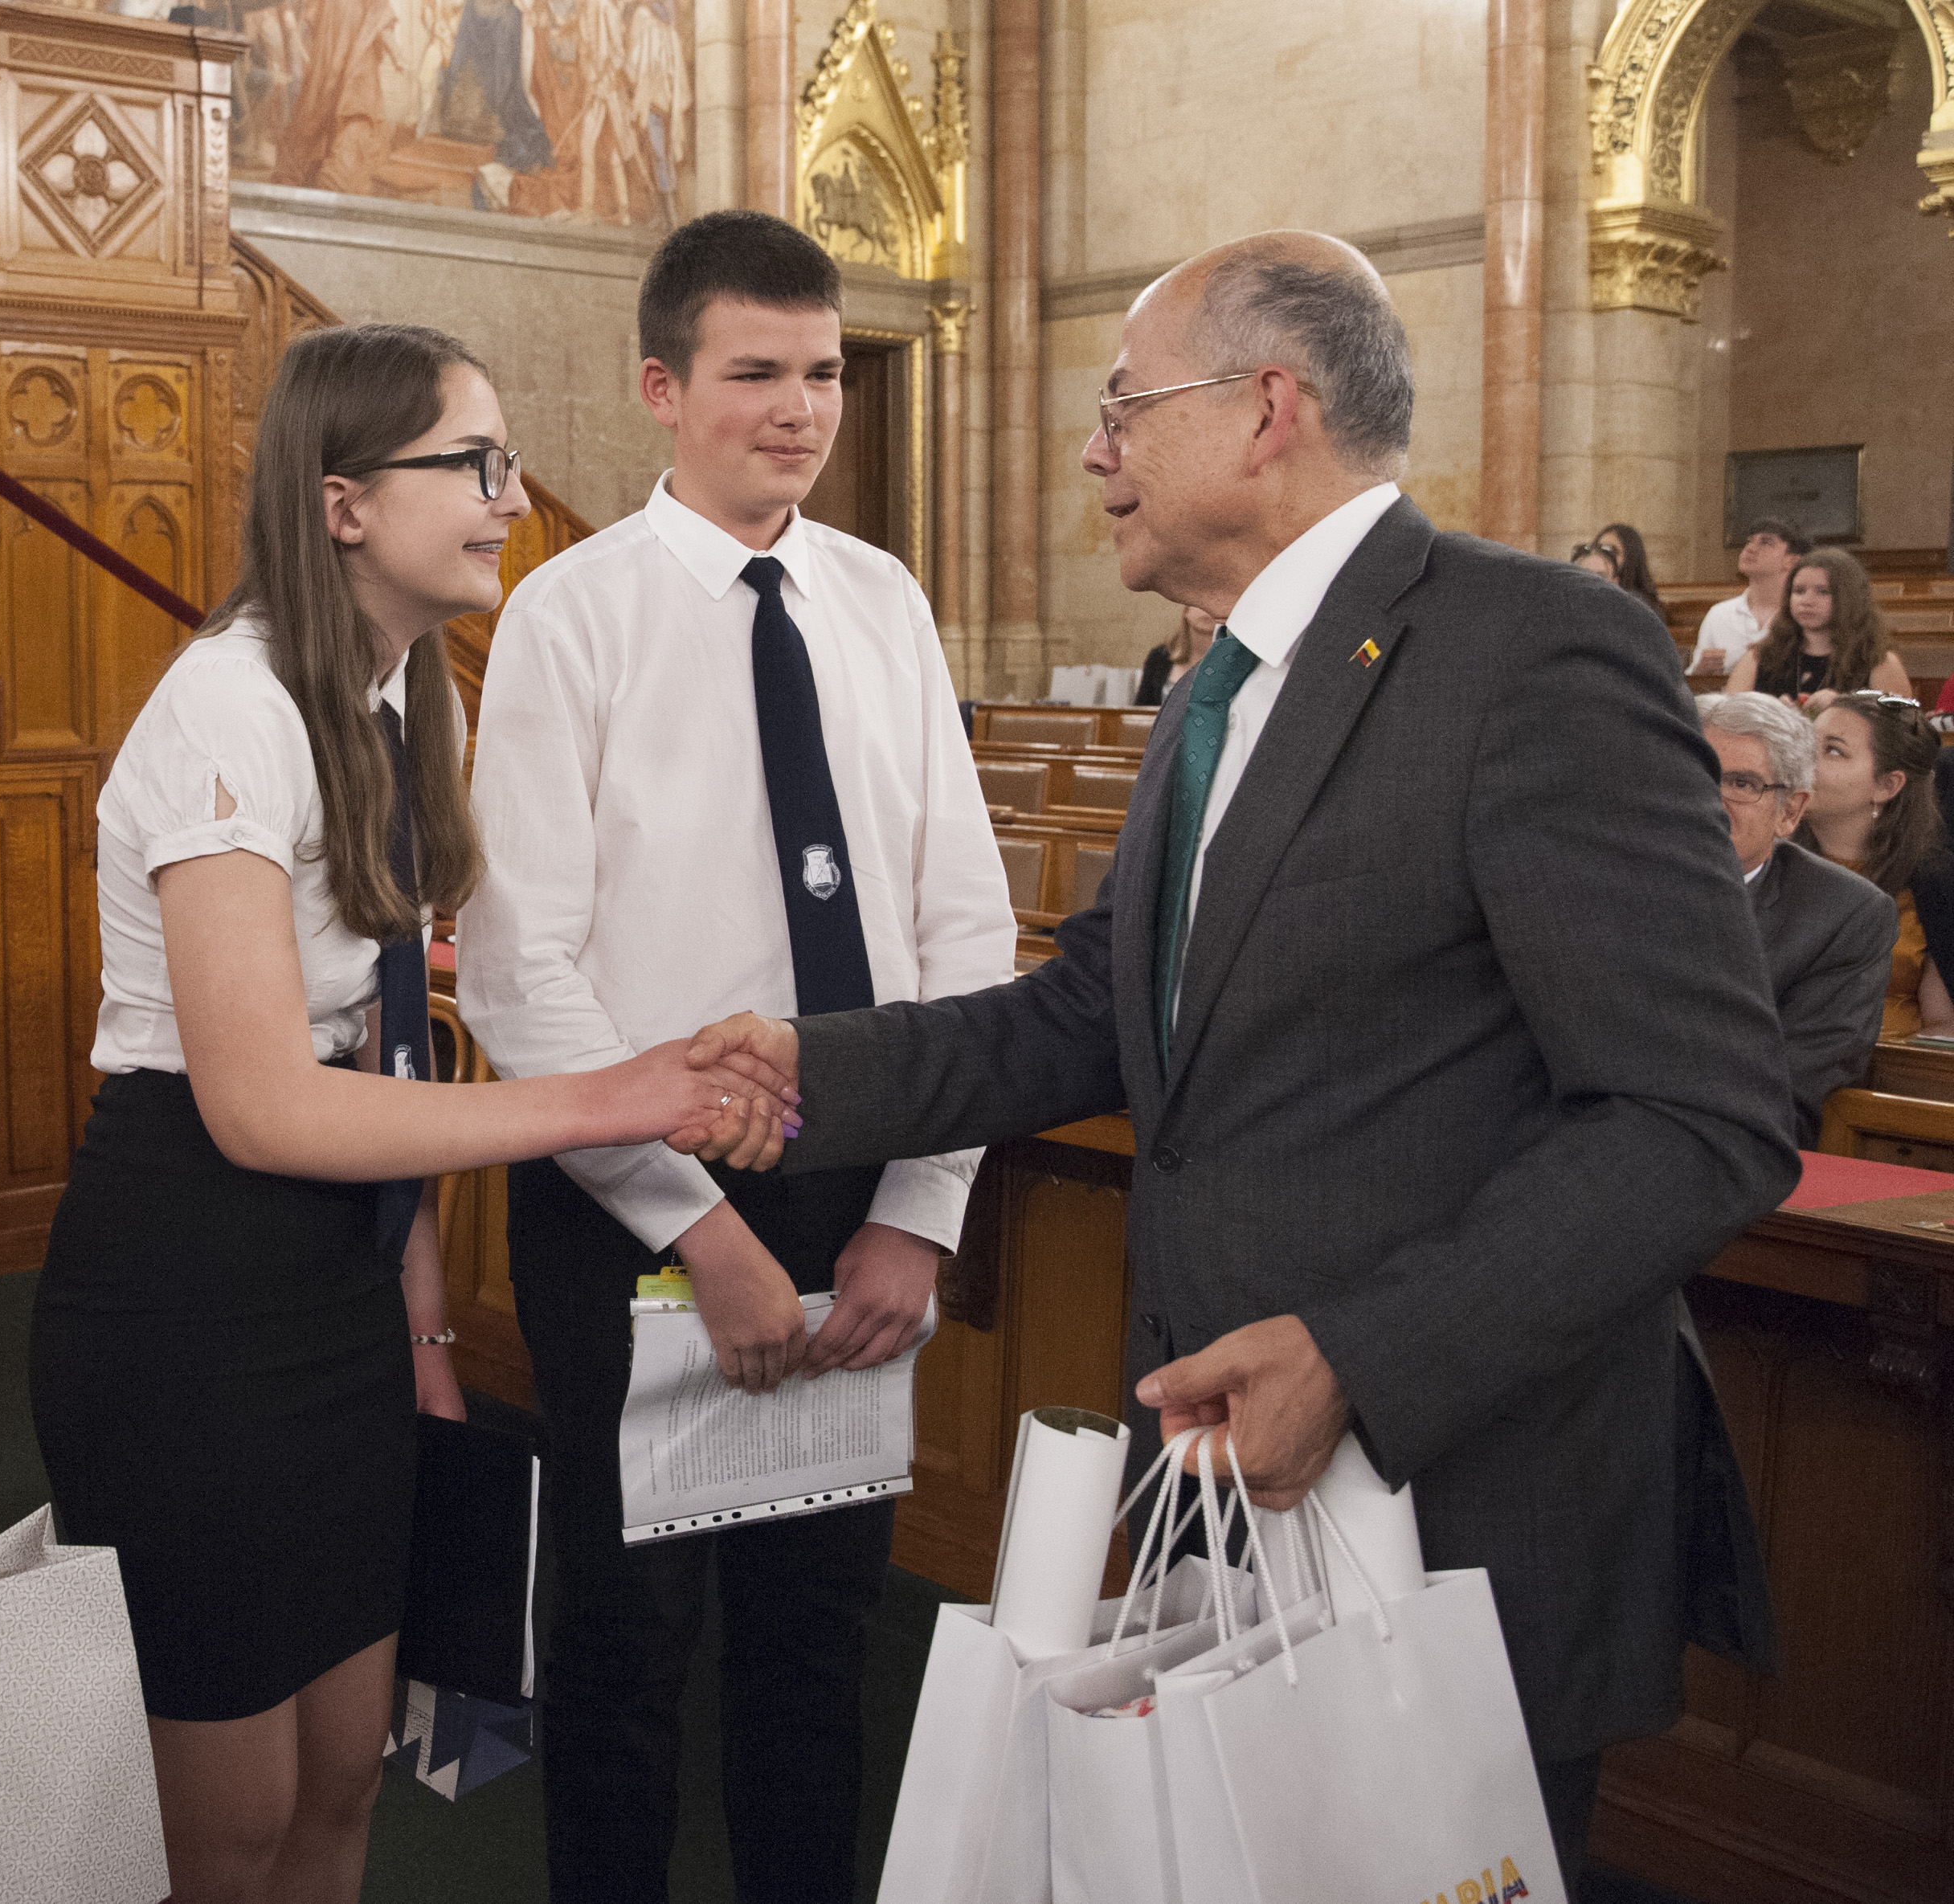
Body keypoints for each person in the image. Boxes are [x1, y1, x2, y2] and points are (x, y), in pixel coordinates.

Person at [683, 230, 1797, 1873]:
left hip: (1448, 1497)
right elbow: (1093, 1018)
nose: (1092, 451)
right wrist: (806, 1068)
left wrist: (1355, 1352)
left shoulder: (1527, 651)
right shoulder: (1216, 688)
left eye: (1125, 405)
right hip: (1221, 1488)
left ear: (1266, 407)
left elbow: (1697, 1118)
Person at [24, 322, 784, 1904]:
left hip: (344, 1292)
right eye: (472, 463)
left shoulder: (402, 696)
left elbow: (382, 1046)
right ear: (343, 504)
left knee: (340, 1775)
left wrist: (425, 1337)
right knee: (225, 1829)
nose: (509, 496)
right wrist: (610, 1094)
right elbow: (259, 1105)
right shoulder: (225, 709)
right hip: (191, 1287)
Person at [456, 210, 1017, 1904]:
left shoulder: (879, 598)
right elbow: (512, 969)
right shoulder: (571, 612)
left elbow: (964, 926)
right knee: (626, 1654)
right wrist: (694, 1230)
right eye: (754, 371)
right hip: (628, 1201)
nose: (799, 408)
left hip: (856, 1186)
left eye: (825, 370)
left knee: (817, 1636)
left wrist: (916, 1211)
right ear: (659, 386)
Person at [1695, 694, 1891, 1142]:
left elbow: (1789, 1094)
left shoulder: (1843, 916)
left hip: (1716, 1154)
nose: (1710, 800)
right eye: (1696, 774)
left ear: (1790, 811)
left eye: (1742, 784)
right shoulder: (1597, 879)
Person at [1796, 691, 1954, 1041]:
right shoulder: (1767, 860)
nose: (1803, 761)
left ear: (1887, 785)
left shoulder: (1934, 885)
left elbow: (1946, 1026)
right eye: (1806, 744)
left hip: (1889, 1075)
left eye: (1833, 750)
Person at [1727, 545, 1912, 705]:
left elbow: (1904, 732)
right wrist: (1772, 713)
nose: (1806, 601)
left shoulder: (1879, 662)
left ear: (1848, 598)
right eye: (1799, 591)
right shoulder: (1758, 658)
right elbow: (1728, 718)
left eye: (1823, 592)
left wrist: (1844, 708)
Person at [1692, 518, 1809, 682]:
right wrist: (1702, 670)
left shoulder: (1803, 613)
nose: (1750, 548)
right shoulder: (1719, 613)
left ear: (1792, 561)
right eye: (1749, 541)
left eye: (1766, 543)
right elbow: (1692, 683)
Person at [1572, 521, 1667, 625]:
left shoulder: (1640, 608)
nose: (1603, 555)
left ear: (1630, 559)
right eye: (1600, 548)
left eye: (1612, 551)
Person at [1136, 602, 1216, 705]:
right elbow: (1141, 709)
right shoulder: (1160, 657)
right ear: (1186, 611)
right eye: (1199, 603)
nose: (1206, 610)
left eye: (1213, 604)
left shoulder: (1236, 657)